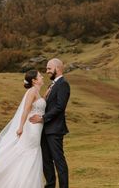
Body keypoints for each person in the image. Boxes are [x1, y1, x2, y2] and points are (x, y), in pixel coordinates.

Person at [29, 58, 70, 188]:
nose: (47, 71)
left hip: (55, 129)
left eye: (49, 68)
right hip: (44, 130)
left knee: (58, 160)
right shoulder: (51, 85)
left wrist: (42, 118)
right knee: (46, 161)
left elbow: (59, 107)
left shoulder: (63, 84)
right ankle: (50, 185)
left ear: (57, 69)